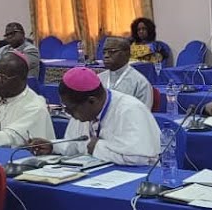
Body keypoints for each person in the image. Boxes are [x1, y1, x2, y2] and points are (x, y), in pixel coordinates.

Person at [26, 66, 160, 166]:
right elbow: (75, 144)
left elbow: (140, 158)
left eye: (71, 109)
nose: (69, 114)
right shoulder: (83, 110)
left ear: (92, 101)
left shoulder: (130, 110)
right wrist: (52, 146)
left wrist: (97, 147)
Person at [98, 37, 154, 109]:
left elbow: (143, 114)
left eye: (112, 52)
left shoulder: (140, 83)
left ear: (127, 54)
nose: (106, 56)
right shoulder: (98, 79)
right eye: (104, 52)